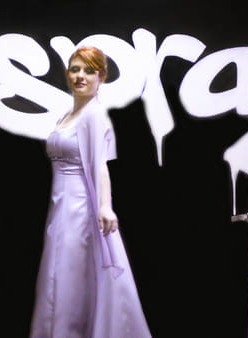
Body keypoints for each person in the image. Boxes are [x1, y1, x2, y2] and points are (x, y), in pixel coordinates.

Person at [30, 46, 152, 338]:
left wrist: (105, 207)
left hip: (81, 212)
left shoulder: (94, 115)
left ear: (101, 76)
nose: (80, 76)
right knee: (59, 277)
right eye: (75, 69)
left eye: (88, 70)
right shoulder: (68, 115)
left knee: (71, 279)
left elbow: (100, 165)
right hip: (59, 210)